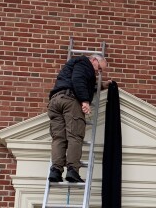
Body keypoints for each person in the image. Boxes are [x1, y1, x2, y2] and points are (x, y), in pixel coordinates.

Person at [47, 52, 109, 183]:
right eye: (99, 69)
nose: (98, 73)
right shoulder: (84, 63)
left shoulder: (75, 65)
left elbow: (79, 82)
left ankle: (56, 171)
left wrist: (102, 86)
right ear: (93, 60)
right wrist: (85, 101)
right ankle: (72, 170)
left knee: (59, 138)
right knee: (75, 136)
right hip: (70, 101)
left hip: (55, 101)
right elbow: (78, 80)